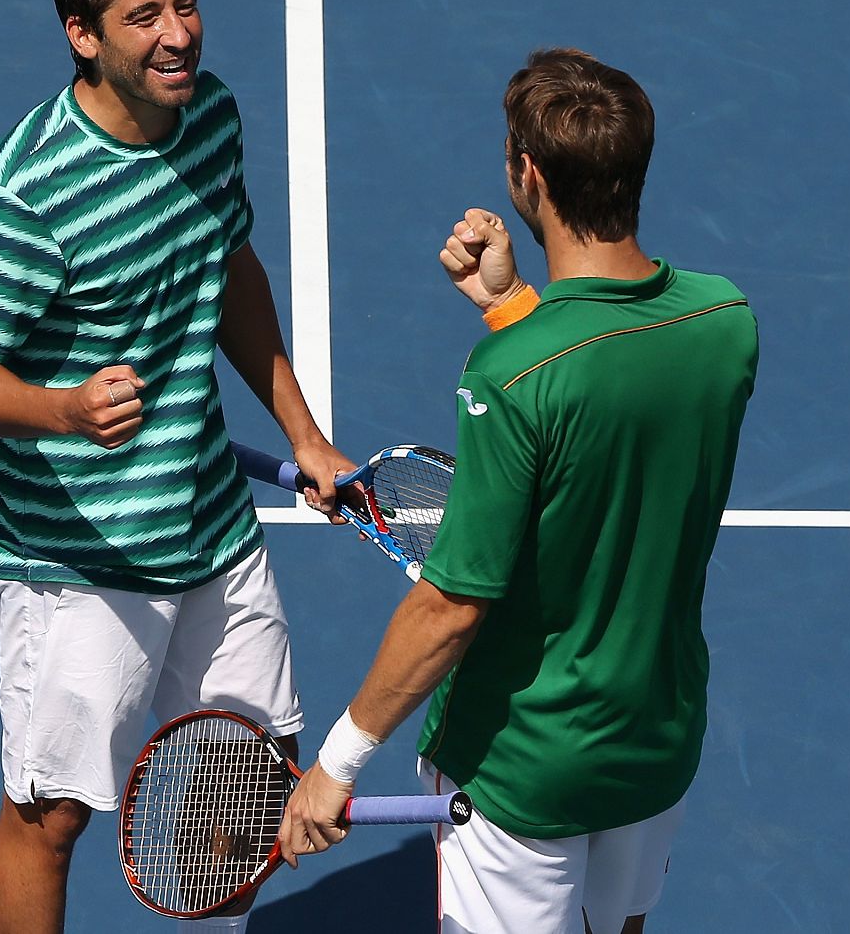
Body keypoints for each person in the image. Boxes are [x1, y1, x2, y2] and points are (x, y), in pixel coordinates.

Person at [0, 0, 351, 934]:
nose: (177, 36)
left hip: (207, 522)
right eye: (144, 17)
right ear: (84, 36)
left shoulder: (209, 116)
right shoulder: (20, 193)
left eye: (186, 5)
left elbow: (230, 265)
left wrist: (301, 432)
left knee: (245, 787)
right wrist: (61, 409)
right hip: (78, 559)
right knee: (50, 817)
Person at [279, 48, 758, 933]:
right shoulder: (725, 322)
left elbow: (452, 608)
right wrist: (514, 308)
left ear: (526, 175)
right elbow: (612, 398)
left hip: (522, 760)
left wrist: (335, 764)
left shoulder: (511, 376)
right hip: (653, 737)